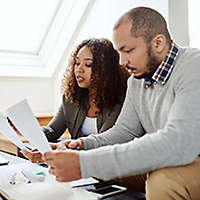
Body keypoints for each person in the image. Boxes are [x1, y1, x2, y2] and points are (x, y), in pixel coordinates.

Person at [23, 7, 200, 200]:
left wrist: (84, 163)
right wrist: (79, 146)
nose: (122, 61)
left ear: (158, 42)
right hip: (164, 159)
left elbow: (176, 141)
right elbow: (124, 132)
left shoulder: (193, 65)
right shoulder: (135, 82)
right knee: (100, 170)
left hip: (192, 158)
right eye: (119, 52)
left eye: (128, 50)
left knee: (163, 181)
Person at [41, 38, 129, 142]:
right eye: (77, 63)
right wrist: (28, 129)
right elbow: (52, 131)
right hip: (76, 155)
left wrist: (67, 146)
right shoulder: (71, 97)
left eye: (88, 65)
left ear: (105, 70)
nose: (79, 69)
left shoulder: (121, 99)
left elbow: (103, 142)